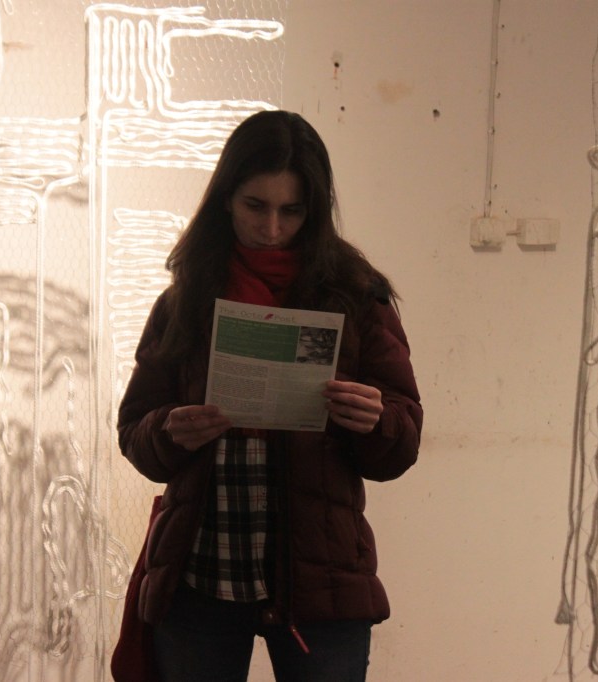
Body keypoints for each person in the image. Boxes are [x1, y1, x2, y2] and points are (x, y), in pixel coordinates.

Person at [116, 109, 422, 682]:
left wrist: (376, 420)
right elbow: (135, 433)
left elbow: (402, 444)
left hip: (321, 580)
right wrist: (168, 430)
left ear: (315, 210)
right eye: (255, 206)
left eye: (292, 210)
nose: (272, 227)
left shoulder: (358, 298)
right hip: (201, 570)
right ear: (225, 199)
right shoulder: (184, 301)